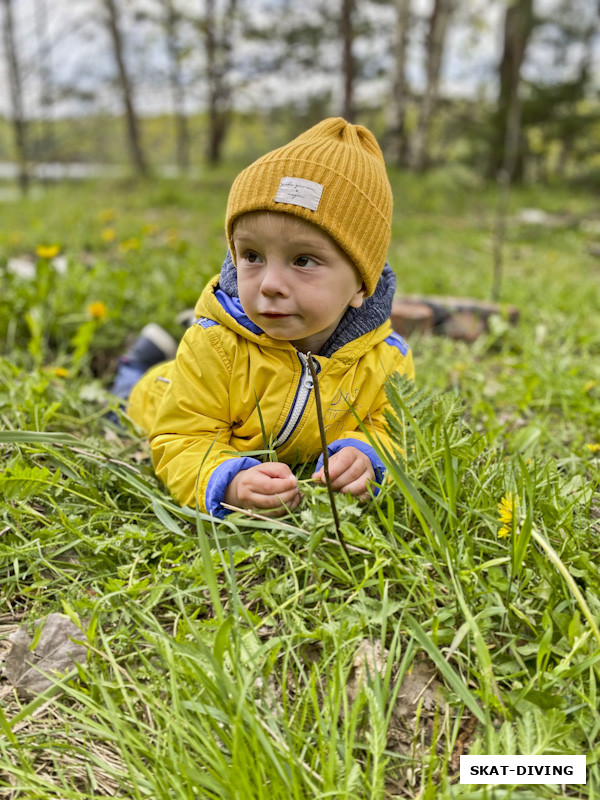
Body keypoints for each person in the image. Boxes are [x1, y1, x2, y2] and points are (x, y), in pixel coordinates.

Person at [112, 117, 414, 518]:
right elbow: (181, 437)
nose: (269, 283)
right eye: (252, 256)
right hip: (164, 395)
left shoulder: (385, 359)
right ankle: (134, 366)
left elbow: (391, 429)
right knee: (130, 396)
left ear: (361, 285)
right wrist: (229, 482)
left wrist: (367, 455)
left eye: (303, 260)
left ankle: (150, 352)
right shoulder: (215, 345)